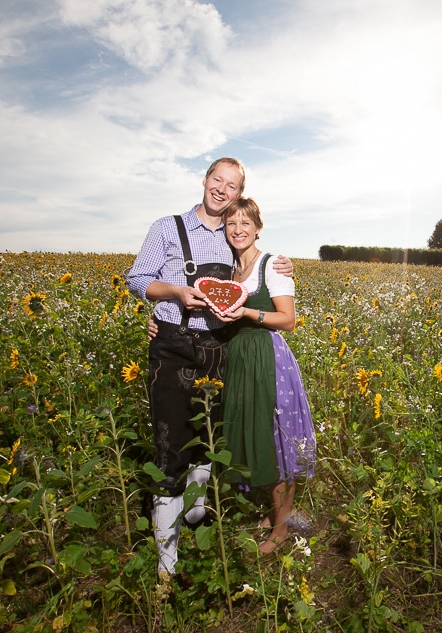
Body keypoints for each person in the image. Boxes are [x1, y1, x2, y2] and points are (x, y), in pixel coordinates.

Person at [125, 157, 292, 578]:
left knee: (207, 438)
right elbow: (137, 279)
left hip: (221, 349)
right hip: (174, 346)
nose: (222, 189)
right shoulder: (168, 227)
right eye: (217, 180)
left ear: (240, 195)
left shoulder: (232, 239)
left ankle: (197, 521)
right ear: (205, 180)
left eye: (232, 186)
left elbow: (255, 283)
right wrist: (173, 298)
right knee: (170, 446)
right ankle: (167, 564)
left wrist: (280, 265)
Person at [209, 197, 316, 555]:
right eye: (231, 224)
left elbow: (288, 319)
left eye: (245, 223)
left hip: (266, 358)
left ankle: (282, 528)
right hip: (241, 357)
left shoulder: (272, 266)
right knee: (255, 435)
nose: (238, 230)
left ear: (257, 227)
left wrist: (246, 312)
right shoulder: (230, 269)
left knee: (276, 442)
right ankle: (275, 514)